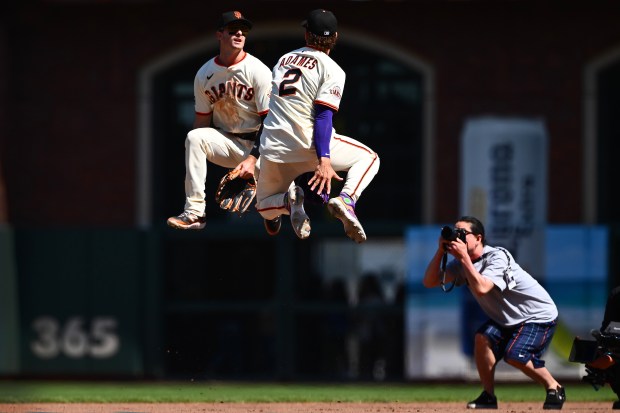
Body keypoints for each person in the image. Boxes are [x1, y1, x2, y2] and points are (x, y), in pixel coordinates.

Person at [255, 9, 380, 244]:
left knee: (264, 207)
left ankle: (288, 201)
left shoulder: (283, 60)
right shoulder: (333, 69)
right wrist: (324, 160)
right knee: (370, 158)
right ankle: (347, 199)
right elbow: (323, 117)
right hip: (309, 147)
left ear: (306, 35)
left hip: (273, 148)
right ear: (335, 38)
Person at [422, 216, 566, 410]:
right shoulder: (462, 264)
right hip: (509, 320)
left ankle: (554, 387)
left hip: (537, 315)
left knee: (515, 354)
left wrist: (464, 258)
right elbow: (430, 281)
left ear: (479, 238)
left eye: (462, 234)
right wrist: (441, 251)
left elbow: (482, 288)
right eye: (455, 233)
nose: (457, 238)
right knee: (482, 338)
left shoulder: (497, 256)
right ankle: (488, 396)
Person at [167, 11, 273, 231]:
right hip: (227, 141)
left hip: (262, 145)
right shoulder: (205, 73)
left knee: (283, 193)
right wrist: (198, 161)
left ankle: (277, 209)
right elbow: (202, 122)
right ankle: (195, 212)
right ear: (219, 35)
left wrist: (253, 158)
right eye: (233, 30)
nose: (240, 34)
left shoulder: (258, 70)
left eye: (243, 31)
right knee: (194, 137)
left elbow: (272, 123)